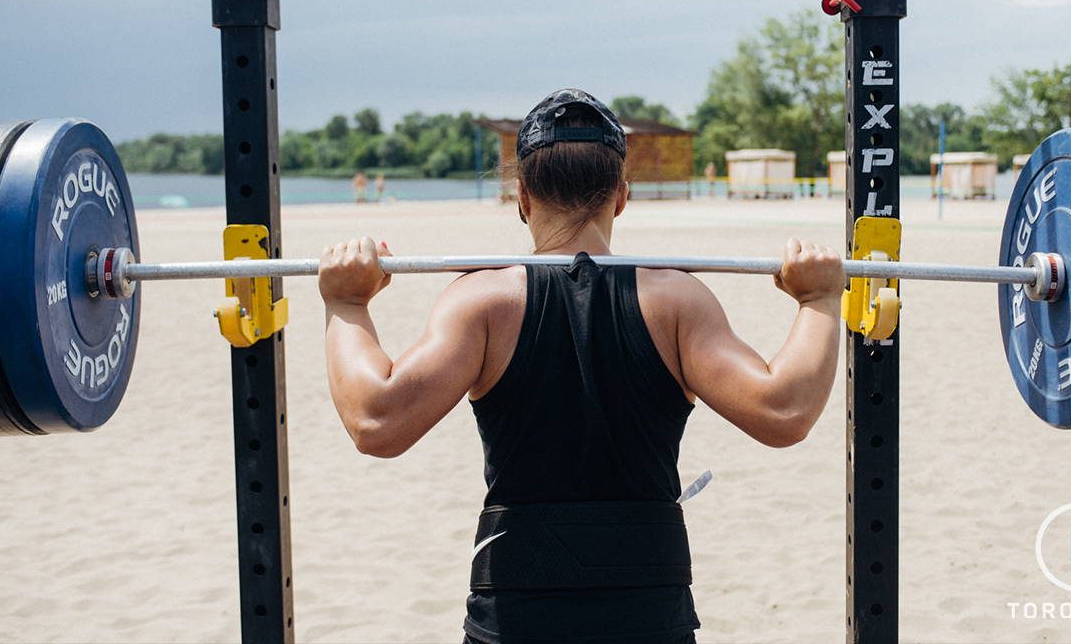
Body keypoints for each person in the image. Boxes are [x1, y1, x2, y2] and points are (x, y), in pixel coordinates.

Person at [318, 88, 844, 644]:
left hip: (517, 614)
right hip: (647, 615)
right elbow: (784, 410)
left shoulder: (482, 302)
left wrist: (347, 303)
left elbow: (377, 422)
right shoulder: (677, 302)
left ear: (521, 196)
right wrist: (819, 301)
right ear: (621, 196)